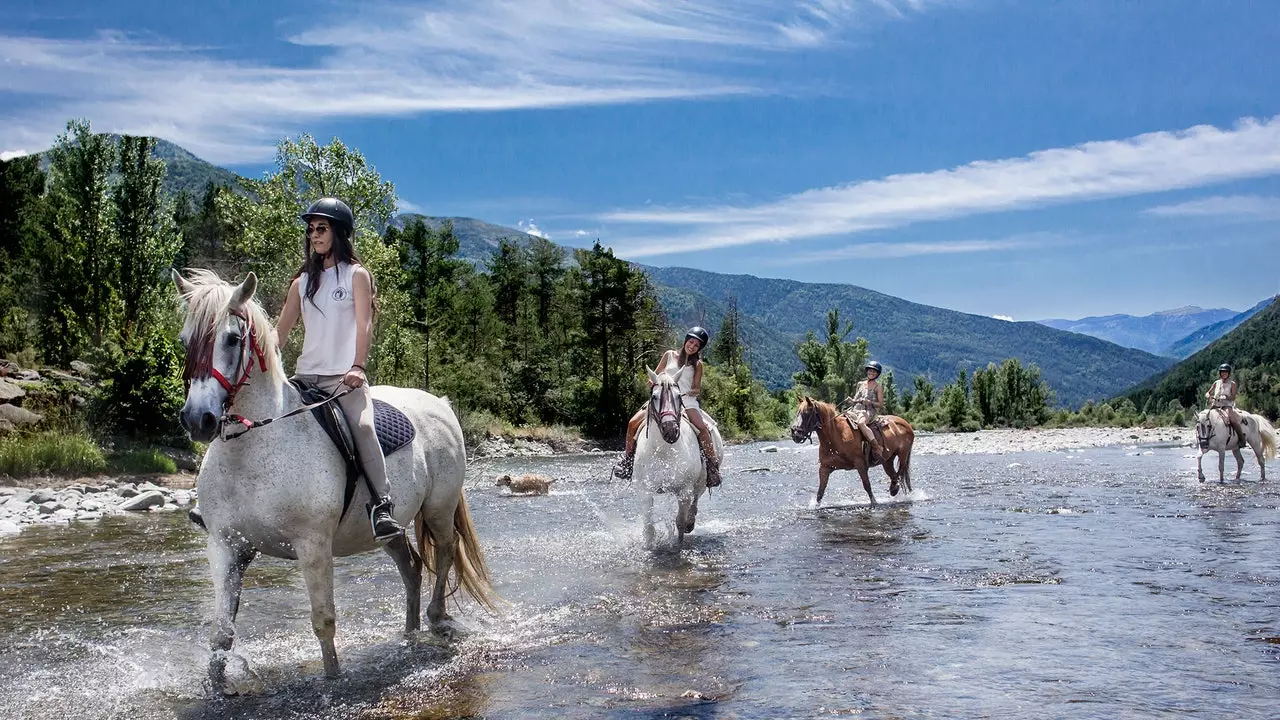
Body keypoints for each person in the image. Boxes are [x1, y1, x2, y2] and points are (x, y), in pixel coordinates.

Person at [274, 197, 405, 542]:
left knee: (363, 427)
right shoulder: (301, 282)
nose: (314, 235)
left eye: (321, 228)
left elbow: (365, 325)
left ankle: (382, 506)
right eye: (310, 230)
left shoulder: (356, 275)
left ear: (339, 233)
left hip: (343, 379)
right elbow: (280, 333)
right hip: (304, 378)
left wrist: (358, 365)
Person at [613, 327, 722, 487]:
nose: (692, 346)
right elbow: (656, 375)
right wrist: (653, 383)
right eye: (691, 342)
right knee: (632, 423)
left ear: (699, 349)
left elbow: (697, 387)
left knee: (703, 429)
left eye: (696, 346)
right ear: (686, 340)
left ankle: (712, 467)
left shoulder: (698, 364)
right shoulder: (669, 355)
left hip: (685, 401)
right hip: (662, 399)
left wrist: (689, 391)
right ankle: (628, 461)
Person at [844, 361, 886, 464]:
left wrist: (870, 402)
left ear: (877, 374)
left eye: (874, 372)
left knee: (861, 423)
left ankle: (876, 446)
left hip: (869, 411)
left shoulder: (878, 387)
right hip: (856, 408)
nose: (871, 373)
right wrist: (851, 400)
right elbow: (856, 399)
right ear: (867, 371)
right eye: (870, 371)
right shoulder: (860, 384)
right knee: (842, 419)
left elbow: (880, 404)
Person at [1205, 363, 1247, 442]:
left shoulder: (1232, 384)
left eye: (1226, 372)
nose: (1224, 374)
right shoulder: (1216, 383)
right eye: (1222, 372)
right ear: (1220, 373)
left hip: (1227, 405)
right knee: (1204, 417)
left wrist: (1226, 397)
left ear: (1228, 373)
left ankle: (1241, 439)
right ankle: (1205, 437)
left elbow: (1233, 397)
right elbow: (1208, 392)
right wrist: (1207, 395)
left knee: (1232, 420)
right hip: (1215, 405)